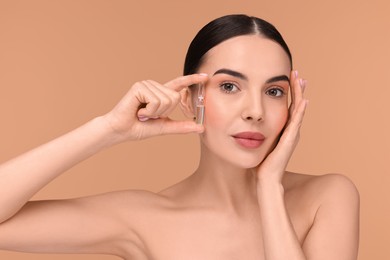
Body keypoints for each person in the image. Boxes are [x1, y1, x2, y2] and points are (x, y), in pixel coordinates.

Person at [0, 14, 359, 259]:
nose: (255, 111)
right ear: (191, 99)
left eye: (275, 91)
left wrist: (269, 189)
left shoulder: (327, 197)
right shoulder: (142, 217)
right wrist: (108, 129)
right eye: (230, 86)